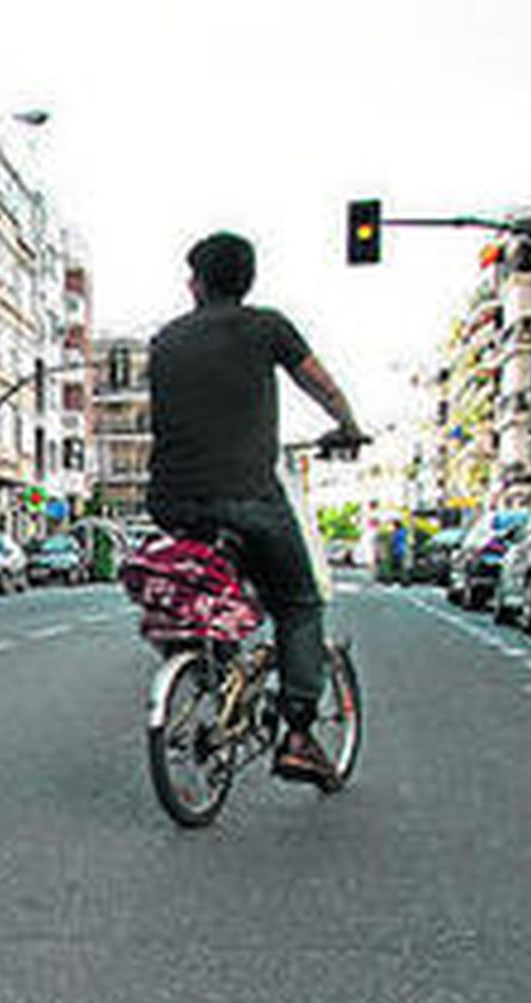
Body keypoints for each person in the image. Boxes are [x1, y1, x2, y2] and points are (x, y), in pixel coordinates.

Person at [147, 231, 367, 788]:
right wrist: (348, 426)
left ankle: (208, 668)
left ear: (197, 283)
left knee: (210, 584)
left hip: (171, 504)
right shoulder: (266, 326)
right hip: (247, 497)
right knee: (297, 602)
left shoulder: (165, 340)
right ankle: (297, 735)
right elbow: (320, 384)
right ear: (248, 280)